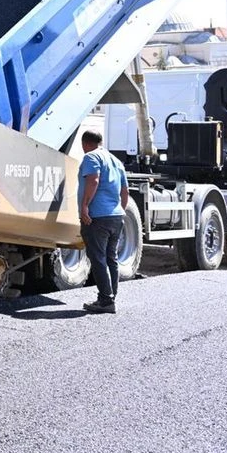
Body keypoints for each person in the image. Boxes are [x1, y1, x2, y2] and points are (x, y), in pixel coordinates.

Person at [78, 129, 129, 314]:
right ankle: (109, 296)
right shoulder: (116, 161)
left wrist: (84, 206)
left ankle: (106, 301)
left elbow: (94, 180)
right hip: (116, 216)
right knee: (111, 258)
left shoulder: (91, 157)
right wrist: (120, 210)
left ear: (85, 144)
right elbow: (125, 191)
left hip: (97, 217)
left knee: (98, 258)